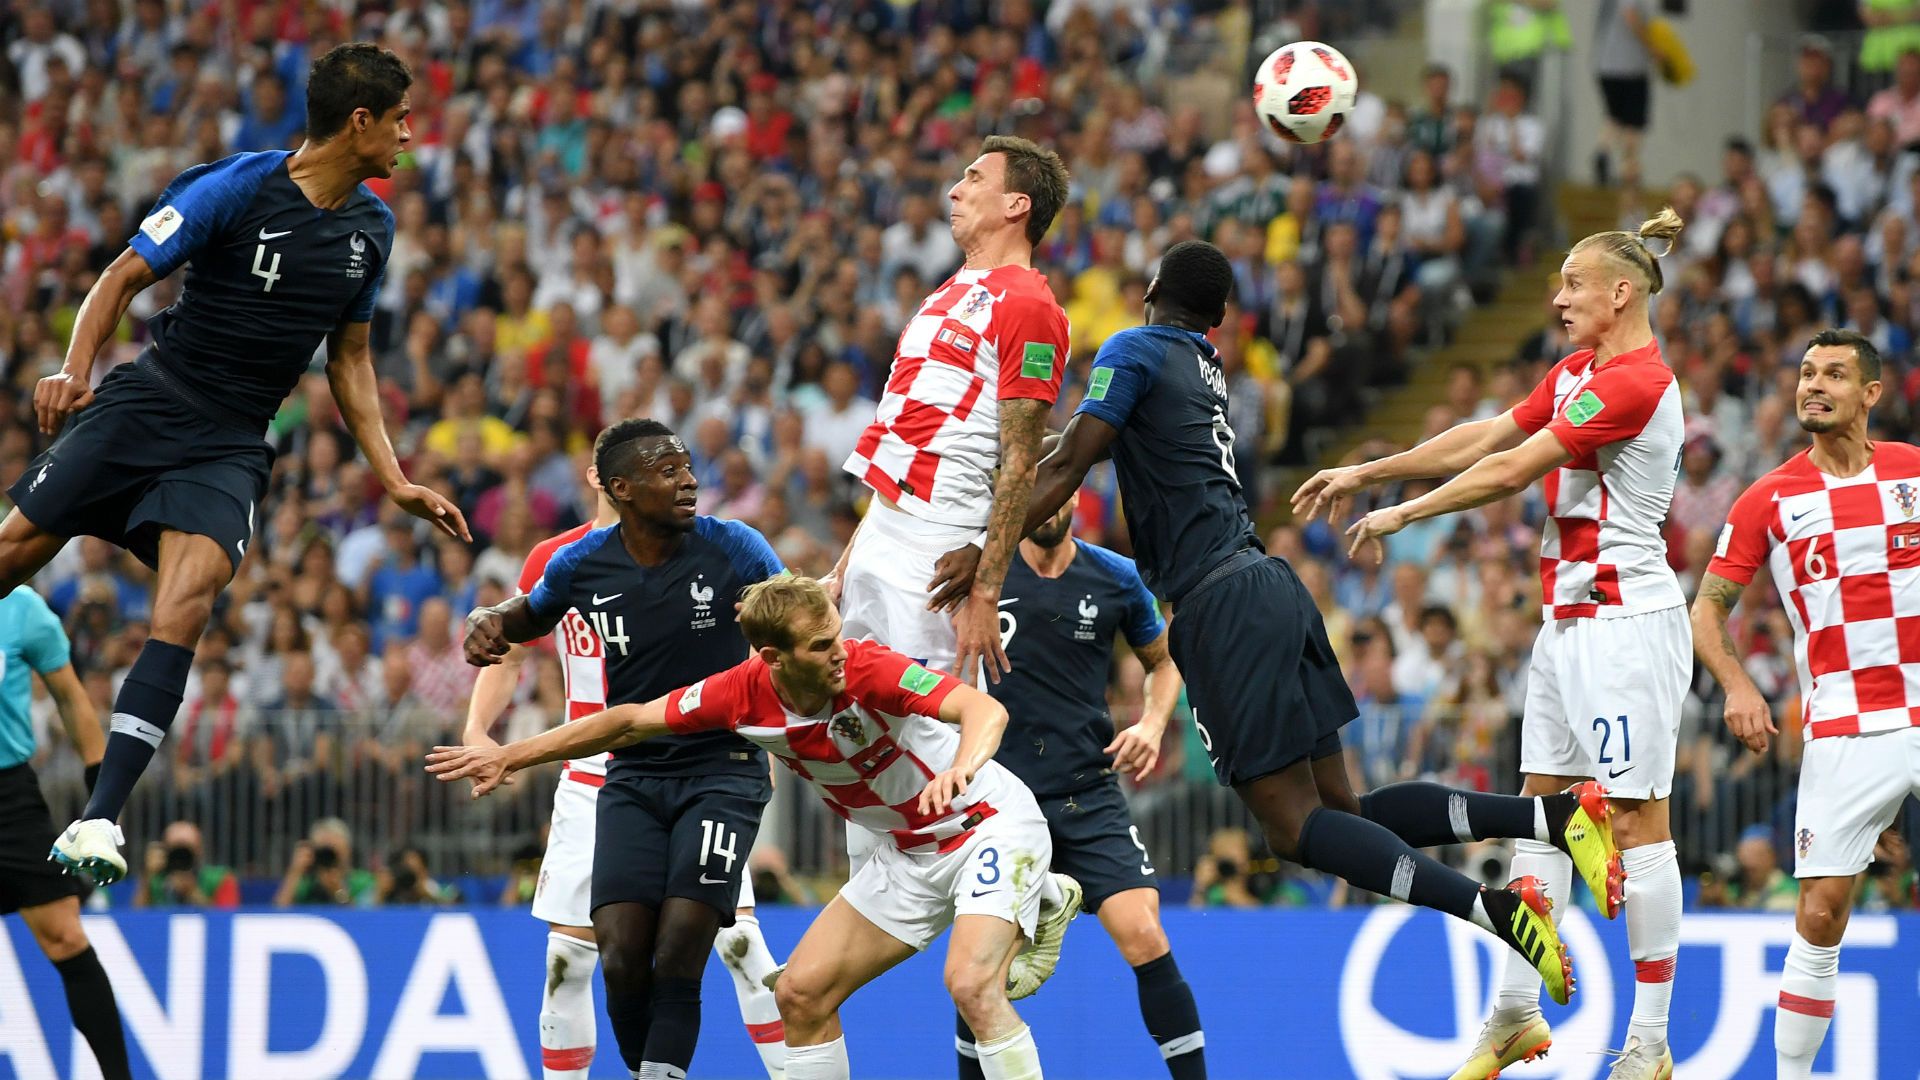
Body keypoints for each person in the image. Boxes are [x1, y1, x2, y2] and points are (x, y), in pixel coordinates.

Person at [934, 241, 1623, 1023]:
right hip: (1267, 584)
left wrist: (985, 552)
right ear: (1219, 315)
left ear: (1154, 289)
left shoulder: (1135, 348)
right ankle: (1553, 818)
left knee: (1294, 830)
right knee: (1344, 812)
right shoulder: (1200, 363)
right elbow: (1065, 455)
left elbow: (1070, 464)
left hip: (1219, 608)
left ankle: (1498, 913)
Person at [29, 42, 469, 886]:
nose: (412, 135)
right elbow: (121, 277)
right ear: (360, 121)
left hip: (232, 441)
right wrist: (73, 370)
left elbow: (350, 361)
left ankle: (97, 820)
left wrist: (394, 477)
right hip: (151, 399)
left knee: (188, 603)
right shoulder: (235, 186)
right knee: (15, 553)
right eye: (402, 118)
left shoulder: (370, 229)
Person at [1300, 210, 1690, 1080]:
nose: (1558, 299)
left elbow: (1515, 470)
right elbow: (1488, 435)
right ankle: (1515, 1016)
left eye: (1573, 285)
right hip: (1566, 626)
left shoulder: (1636, 381)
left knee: (1634, 823)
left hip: (1627, 627)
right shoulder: (1578, 370)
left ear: (1619, 293)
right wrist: (1374, 469)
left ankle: (1650, 1046)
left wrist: (1404, 512)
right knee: (1542, 811)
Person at [431, 577, 1060, 1080]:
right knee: (800, 996)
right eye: (820, 646)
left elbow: (982, 708)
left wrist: (963, 767)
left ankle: (1038, 892)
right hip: (906, 855)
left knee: (972, 986)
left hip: (985, 825)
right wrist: (510, 754)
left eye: (837, 636)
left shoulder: (868, 668)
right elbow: (626, 722)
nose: (839, 651)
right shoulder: (738, 694)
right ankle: (1046, 897)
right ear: (772, 658)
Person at [829, 133, 1081, 984]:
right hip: (883, 534)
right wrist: (846, 560)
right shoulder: (946, 294)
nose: (956, 187)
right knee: (852, 722)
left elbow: (1020, 459)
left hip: (940, 549)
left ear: (1018, 204)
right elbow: (901, 444)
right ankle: (877, 890)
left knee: (928, 734)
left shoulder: (1031, 306)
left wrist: (986, 581)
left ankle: (1030, 884)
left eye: (976, 177)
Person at [460, 418, 784, 1080]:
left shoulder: (724, 548)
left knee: (738, 942)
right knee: (577, 958)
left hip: (709, 759)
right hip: (597, 768)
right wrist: (476, 729)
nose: (686, 479)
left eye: (685, 465)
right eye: (664, 469)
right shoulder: (563, 561)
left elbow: (784, 624)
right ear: (606, 482)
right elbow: (511, 644)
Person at [1689, 328, 1920, 1080]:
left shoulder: (1915, 474)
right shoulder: (1770, 498)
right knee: (1820, 915)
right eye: (1806, 373)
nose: (1813, 385)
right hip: (1847, 726)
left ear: (1872, 395)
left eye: (1834, 374)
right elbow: (1706, 611)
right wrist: (1737, 683)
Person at [957, 489, 1206, 1079]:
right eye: (1035, 497)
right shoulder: (980, 576)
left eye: (1059, 495)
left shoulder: (1115, 576)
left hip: (1086, 791)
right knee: (980, 973)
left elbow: (1165, 660)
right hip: (1001, 801)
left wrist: (1151, 722)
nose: (1049, 509)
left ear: (1076, 500)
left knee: (1144, 933)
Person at [0, 586, 129, 1079]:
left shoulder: (21, 606)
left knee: (65, 936)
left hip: (7, 799)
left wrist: (103, 796)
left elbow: (72, 698)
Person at [133, 820, 239, 908]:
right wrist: (146, 878)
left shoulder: (221, 878)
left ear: (199, 850)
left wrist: (192, 892)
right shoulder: (155, 879)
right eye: (176, 850)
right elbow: (136, 918)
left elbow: (227, 920)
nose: (181, 858)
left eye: (186, 851)